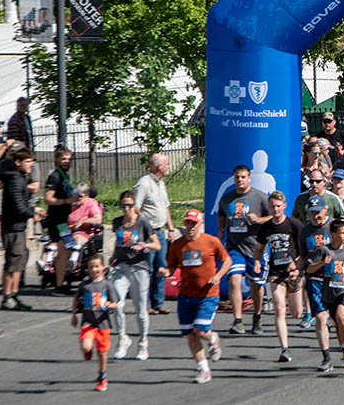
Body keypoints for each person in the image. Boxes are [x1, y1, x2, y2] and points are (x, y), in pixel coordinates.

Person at [161, 209, 231, 384]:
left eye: (193, 223)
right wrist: (165, 272)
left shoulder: (211, 241)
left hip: (208, 294)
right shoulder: (178, 245)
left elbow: (227, 261)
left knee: (199, 330)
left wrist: (218, 276)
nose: (190, 227)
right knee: (190, 334)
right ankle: (203, 369)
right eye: (187, 223)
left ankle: (213, 338)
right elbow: (171, 266)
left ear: (200, 224)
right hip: (185, 295)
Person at [217, 164, 272, 335]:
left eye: (243, 177)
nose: (239, 180)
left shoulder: (259, 196)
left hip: (255, 248)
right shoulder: (228, 198)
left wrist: (259, 219)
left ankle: (257, 317)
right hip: (235, 247)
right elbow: (221, 215)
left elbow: (272, 216)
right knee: (234, 279)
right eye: (237, 177)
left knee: (256, 285)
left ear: (249, 178)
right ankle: (238, 320)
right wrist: (221, 230)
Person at [108, 190, 161, 361]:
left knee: (140, 310)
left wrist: (143, 245)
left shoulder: (143, 222)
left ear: (134, 206)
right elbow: (118, 240)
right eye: (123, 205)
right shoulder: (117, 222)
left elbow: (157, 245)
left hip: (139, 268)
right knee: (116, 304)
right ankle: (123, 338)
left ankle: (143, 343)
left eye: (129, 205)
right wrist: (113, 256)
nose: (126, 209)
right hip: (121, 267)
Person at [305, 220, 344, 375]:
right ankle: (337, 355)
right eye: (342, 233)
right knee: (335, 320)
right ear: (333, 234)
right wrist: (322, 263)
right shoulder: (324, 250)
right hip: (329, 290)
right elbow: (309, 269)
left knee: (340, 315)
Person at [257, 191, 303, 363]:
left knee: (297, 313)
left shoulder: (294, 225)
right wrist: (256, 261)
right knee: (279, 308)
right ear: (268, 207)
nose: (275, 209)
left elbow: (304, 250)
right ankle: (284, 348)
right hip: (275, 272)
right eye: (272, 206)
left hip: (293, 273)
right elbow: (259, 248)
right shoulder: (266, 227)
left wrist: (297, 263)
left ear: (284, 206)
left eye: (278, 206)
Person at [134, 153, 176, 315]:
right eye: (166, 164)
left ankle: (158, 303)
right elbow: (135, 207)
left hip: (160, 232)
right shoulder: (144, 184)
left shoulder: (161, 183)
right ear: (159, 166)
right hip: (147, 233)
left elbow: (165, 207)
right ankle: (144, 304)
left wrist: (171, 228)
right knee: (147, 269)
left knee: (161, 267)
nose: (168, 166)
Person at [71, 255, 119, 392]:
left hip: (103, 323)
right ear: (88, 269)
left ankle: (102, 377)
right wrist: (74, 315)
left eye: (97, 266)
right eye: (91, 267)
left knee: (102, 352)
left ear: (103, 267)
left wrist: (110, 304)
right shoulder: (84, 285)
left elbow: (116, 303)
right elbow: (75, 299)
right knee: (86, 347)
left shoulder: (107, 284)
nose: (94, 269)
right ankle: (88, 350)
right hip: (88, 322)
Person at [0, 148, 35, 311]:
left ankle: (14, 295)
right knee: (12, 264)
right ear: (18, 162)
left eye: (31, 161)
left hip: (18, 227)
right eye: (27, 162)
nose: (31, 165)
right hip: (13, 228)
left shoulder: (20, 178)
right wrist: (34, 213)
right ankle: (8, 297)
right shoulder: (15, 179)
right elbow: (18, 207)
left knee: (18, 262)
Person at [45, 146, 81, 293]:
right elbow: (48, 198)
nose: (66, 162)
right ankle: (58, 283)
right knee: (65, 249)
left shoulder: (64, 176)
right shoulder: (55, 176)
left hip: (64, 221)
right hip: (57, 220)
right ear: (57, 159)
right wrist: (66, 201)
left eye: (68, 159)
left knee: (67, 249)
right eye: (63, 159)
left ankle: (60, 280)